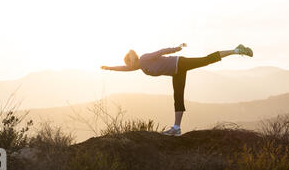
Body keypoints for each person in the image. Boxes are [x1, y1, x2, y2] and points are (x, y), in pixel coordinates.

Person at [101, 43, 253, 136]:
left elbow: (160, 52)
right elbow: (124, 69)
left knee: (206, 60)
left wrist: (176, 48)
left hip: (180, 63)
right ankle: (177, 128)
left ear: (132, 60)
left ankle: (236, 50)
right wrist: (109, 68)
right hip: (176, 71)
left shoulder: (144, 59)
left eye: (129, 64)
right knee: (178, 97)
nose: (129, 67)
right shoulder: (140, 66)